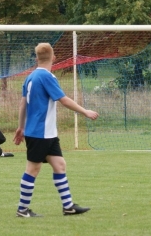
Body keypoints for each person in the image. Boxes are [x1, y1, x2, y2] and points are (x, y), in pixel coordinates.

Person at [13, 43, 99, 217]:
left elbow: (23, 104)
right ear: (53, 57)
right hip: (40, 133)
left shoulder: (30, 77)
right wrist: (85, 111)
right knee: (32, 169)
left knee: (59, 165)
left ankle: (68, 207)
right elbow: (64, 100)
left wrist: (21, 126)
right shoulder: (46, 77)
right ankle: (22, 210)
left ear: (37, 58)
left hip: (47, 133)